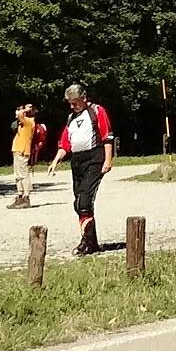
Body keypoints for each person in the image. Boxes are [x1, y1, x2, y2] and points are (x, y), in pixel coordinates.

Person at [49, 81, 113, 256]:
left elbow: (107, 136)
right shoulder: (71, 118)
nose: (72, 106)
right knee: (78, 203)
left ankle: (86, 241)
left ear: (84, 98)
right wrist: (56, 160)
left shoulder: (96, 111)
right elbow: (65, 142)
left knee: (84, 201)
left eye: (75, 102)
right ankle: (91, 241)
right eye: (70, 103)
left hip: (94, 158)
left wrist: (107, 160)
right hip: (77, 161)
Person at [9, 102, 38, 207]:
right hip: (17, 150)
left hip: (22, 150)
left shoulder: (29, 121)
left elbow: (20, 115)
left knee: (23, 175)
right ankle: (20, 196)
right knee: (17, 176)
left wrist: (25, 110)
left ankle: (26, 197)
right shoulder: (22, 122)